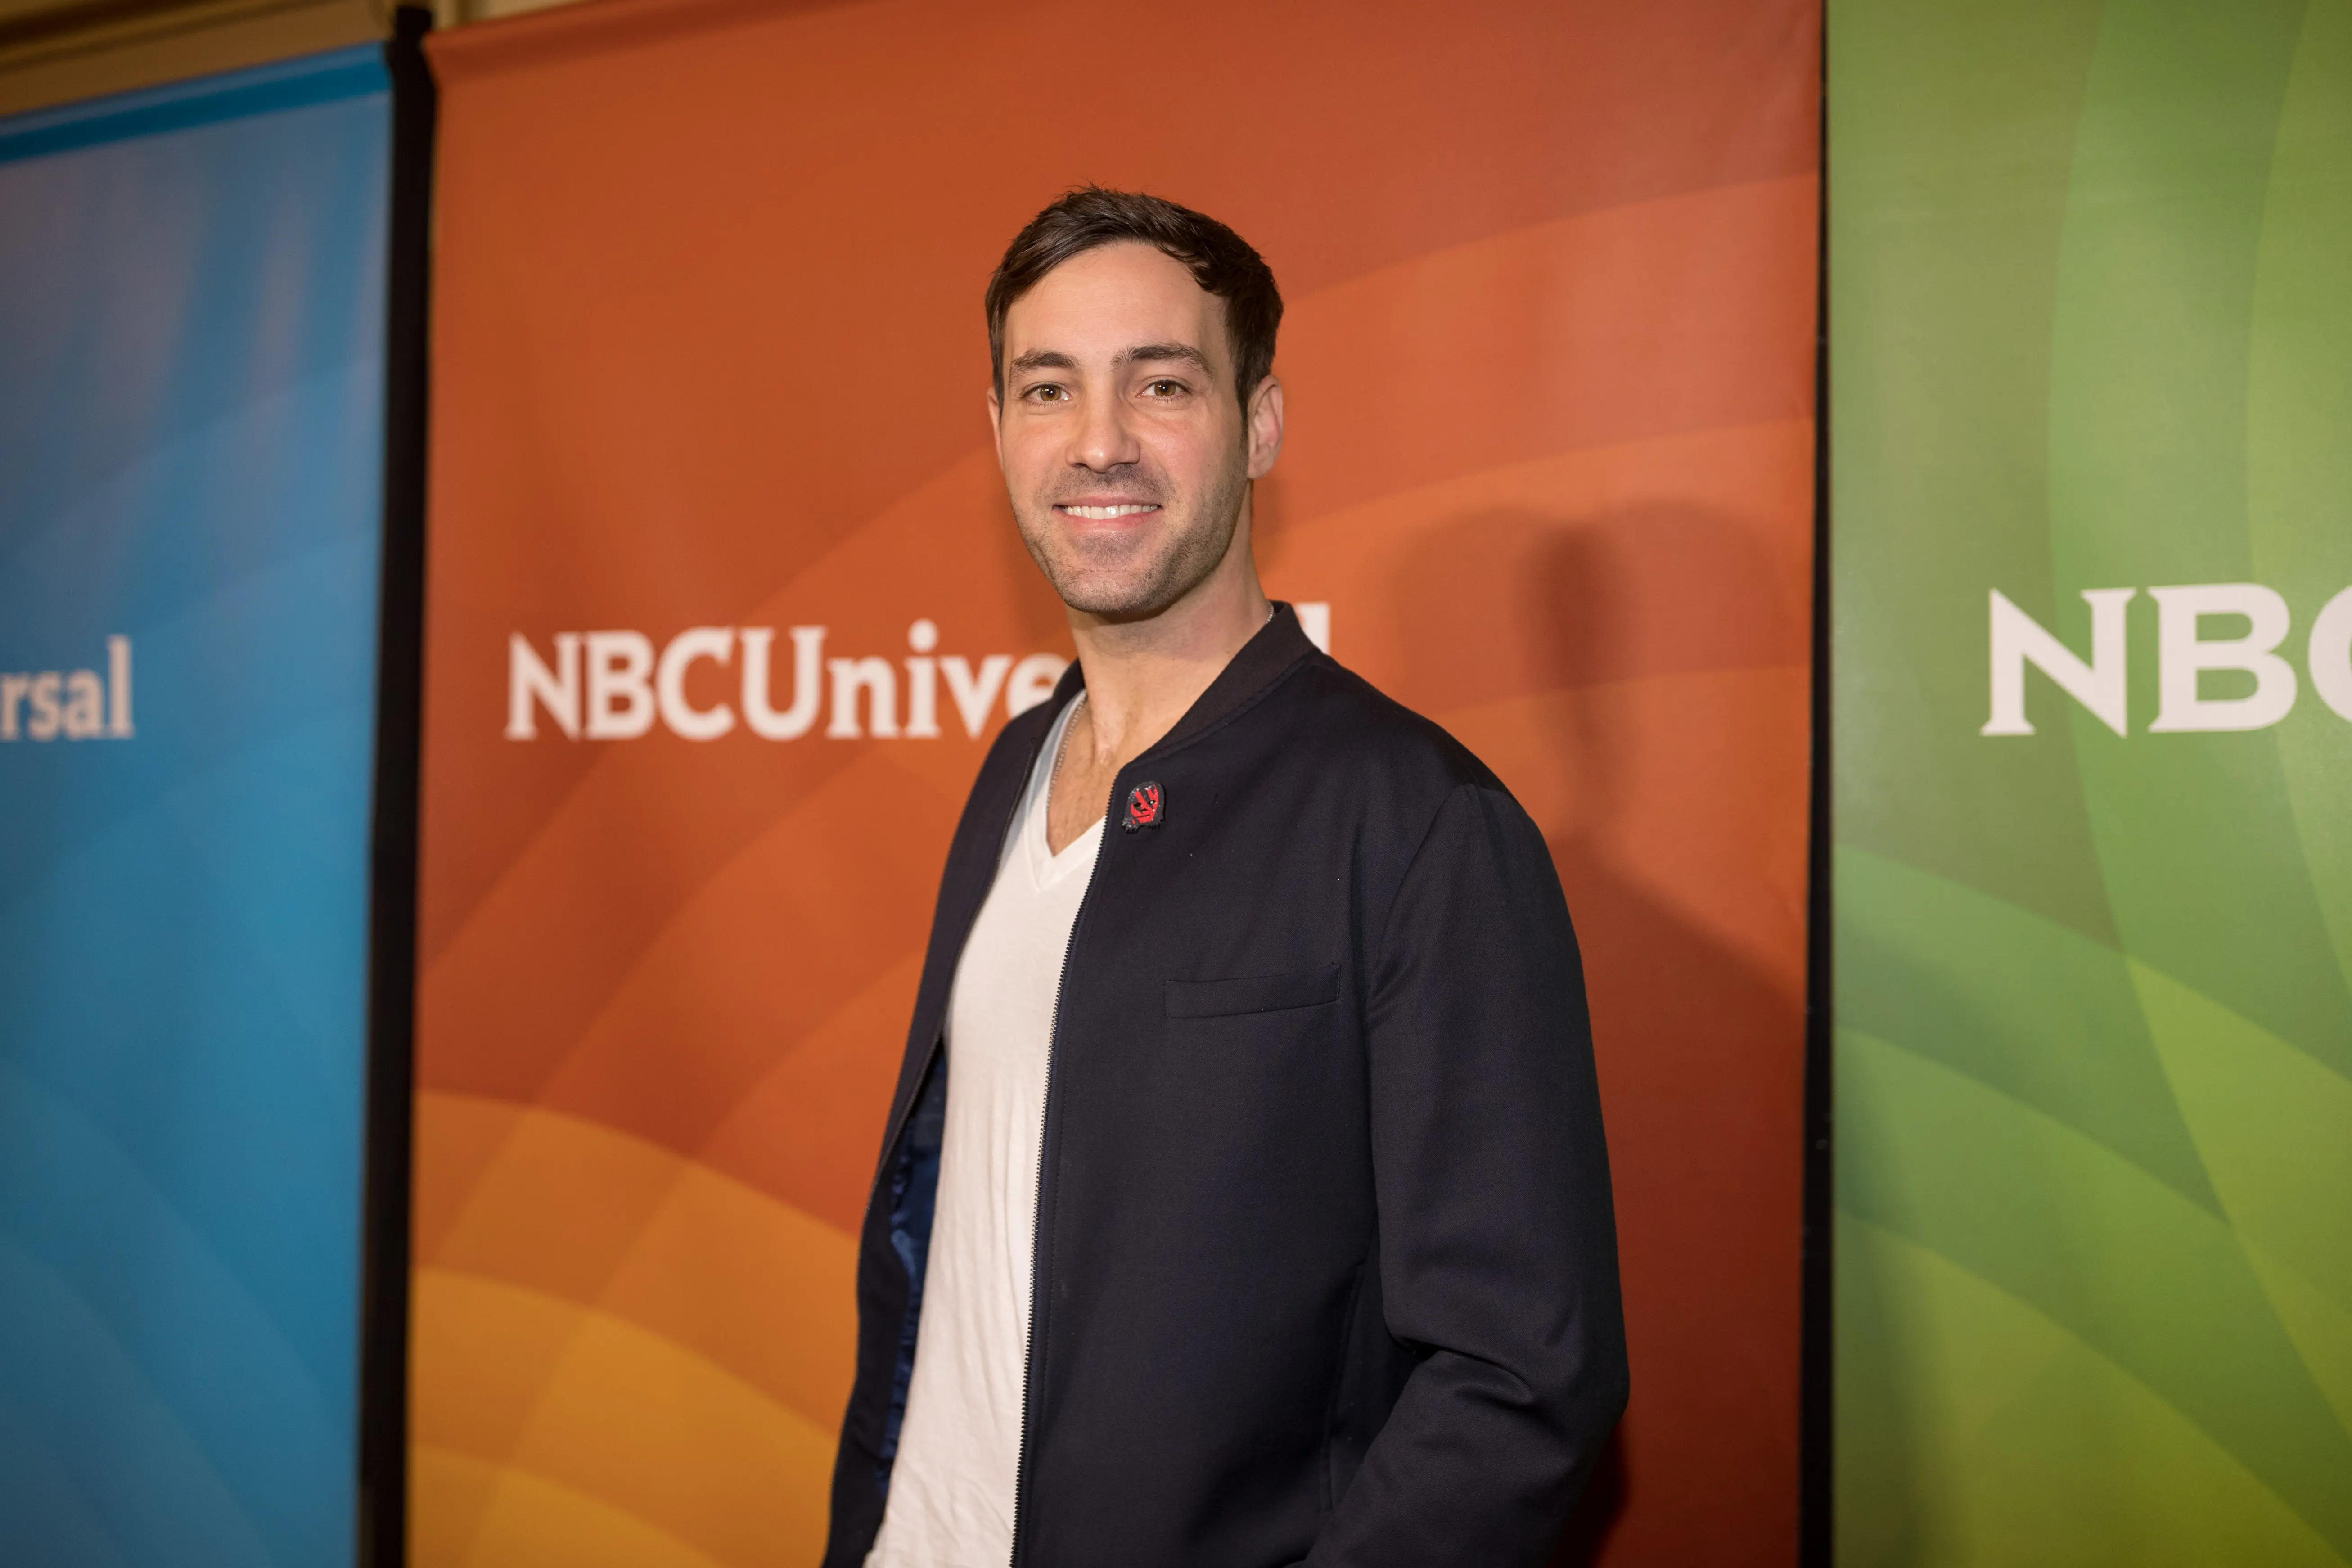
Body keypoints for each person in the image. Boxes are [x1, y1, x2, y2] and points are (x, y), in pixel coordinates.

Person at [825, 188, 1627, 1568]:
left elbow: (1521, 1380)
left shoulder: (1420, 822)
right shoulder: (1015, 764)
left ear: (1260, 423)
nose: (1100, 442)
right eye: (1048, 386)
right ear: (1000, 431)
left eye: (1163, 383)